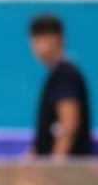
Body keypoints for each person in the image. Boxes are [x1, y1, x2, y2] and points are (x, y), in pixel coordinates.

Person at [28, 14, 92, 157]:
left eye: (38, 40)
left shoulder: (64, 76)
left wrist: (55, 168)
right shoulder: (56, 75)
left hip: (68, 173)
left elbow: (68, 125)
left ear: (55, 39)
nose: (34, 47)